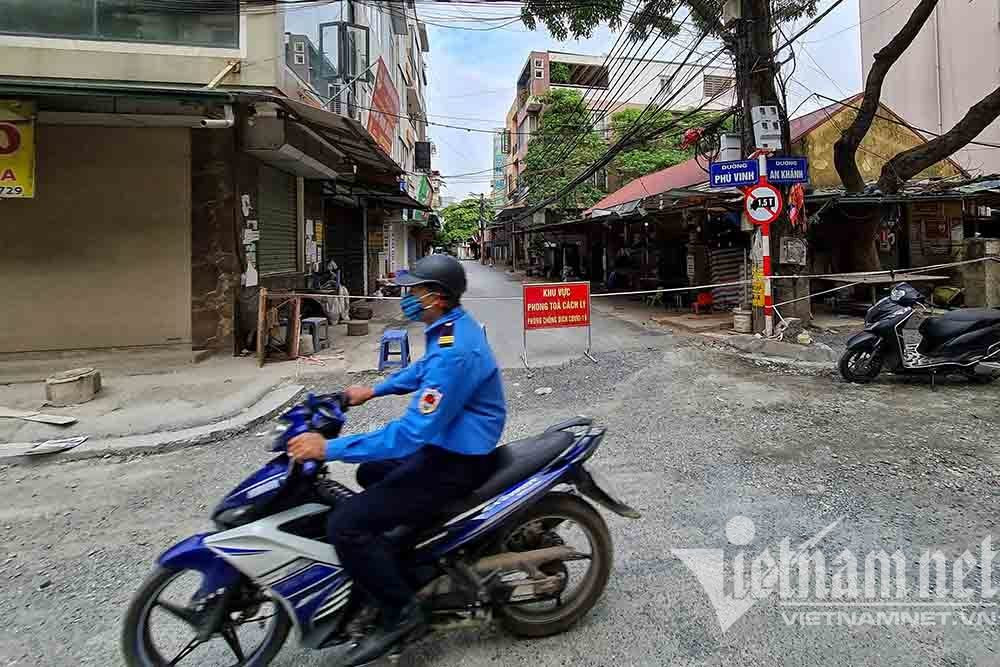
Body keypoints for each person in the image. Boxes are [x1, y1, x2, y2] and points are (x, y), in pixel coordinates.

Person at [287, 254, 506, 666]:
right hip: (447, 444)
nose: (407, 296)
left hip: (455, 459)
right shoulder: (447, 330)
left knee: (345, 525)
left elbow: (408, 436)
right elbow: (424, 369)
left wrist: (328, 448)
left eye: (415, 290)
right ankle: (413, 554)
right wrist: (374, 390)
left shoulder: (456, 349)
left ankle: (402, 614)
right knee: (370, 472)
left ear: (437, 298)